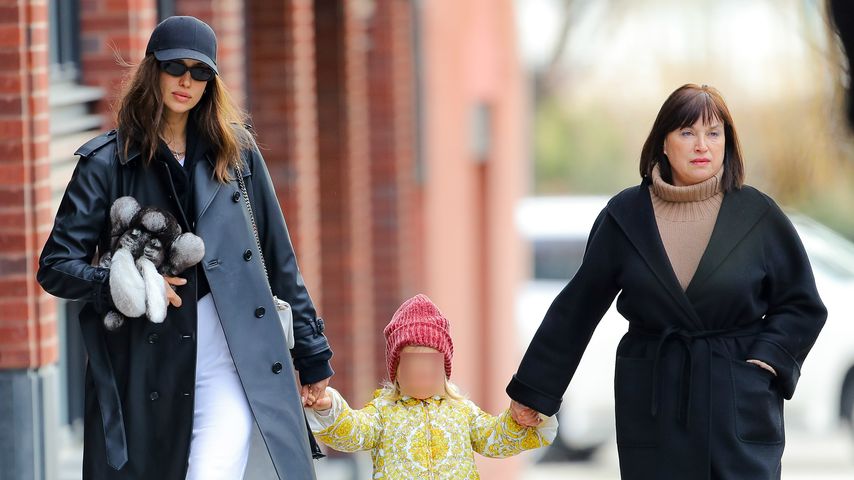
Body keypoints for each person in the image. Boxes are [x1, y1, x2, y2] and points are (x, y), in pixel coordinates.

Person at [37, 16, 332, 479]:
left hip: (229, 355)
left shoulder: (237, 156)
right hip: (141, 369)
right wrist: (123, 284)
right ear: (153, 70)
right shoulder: (106, 163)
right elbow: (55, 265)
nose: (186, 81)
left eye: (200, 72)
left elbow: (279, 259)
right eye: (175, 67)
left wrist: (312, 354)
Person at [506, 84, 827, 480]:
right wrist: (534, 390)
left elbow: (802, 304)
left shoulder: (757, 215)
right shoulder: (625, 216)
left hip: (737, 399)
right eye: (687, 132)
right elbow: (577, 309)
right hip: (655, 399)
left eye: (714, 133)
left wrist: (769, 359)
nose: (702, 145)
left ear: (728, 143)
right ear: (663, 141)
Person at [304, 294, 557, 479]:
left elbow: (494, 438)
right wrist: (329, 408)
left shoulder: (462, 412)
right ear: (397, 371)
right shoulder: (382, 413)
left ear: (444, 370)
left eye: (430, 367)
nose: (423, 374)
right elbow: (354, 433)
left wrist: (518, 421)